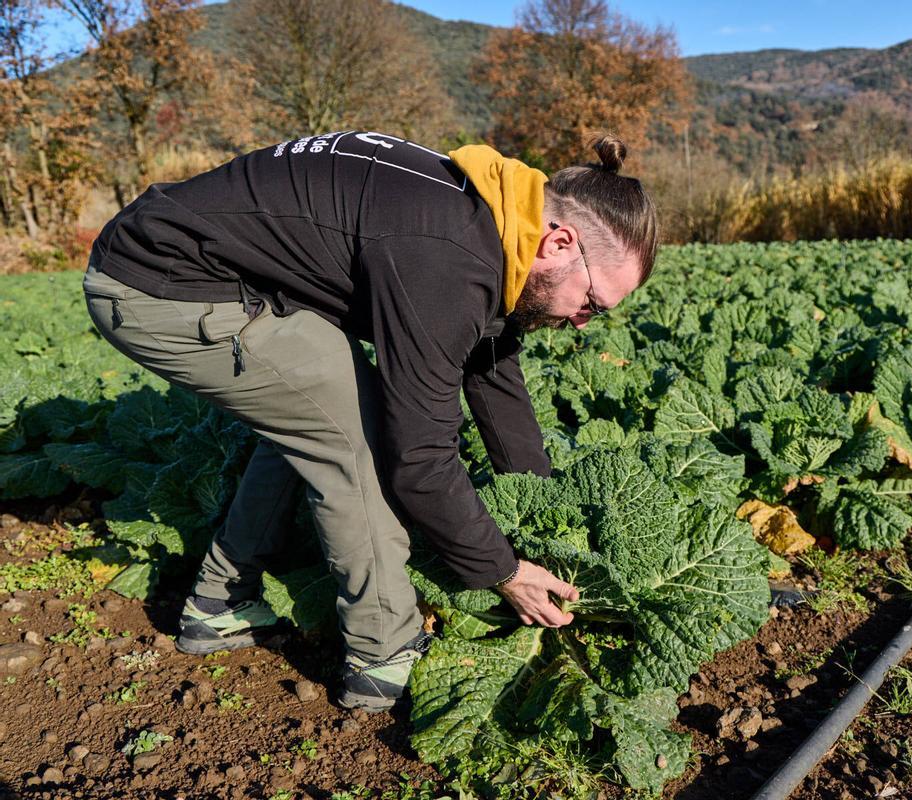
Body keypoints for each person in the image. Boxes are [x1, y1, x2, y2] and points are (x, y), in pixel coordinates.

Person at [82, 130, 658, 712]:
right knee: (357, 434)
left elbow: (491, 366)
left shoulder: (498, 214)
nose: (584, 321)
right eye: (593, 303)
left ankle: (220, 602)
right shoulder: (444, 255)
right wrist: (504, 572)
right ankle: (382, 655)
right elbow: (419, 460)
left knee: (311, 403)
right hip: (158, 285)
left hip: (205, 264)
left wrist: (541, 508)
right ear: (558, 242)